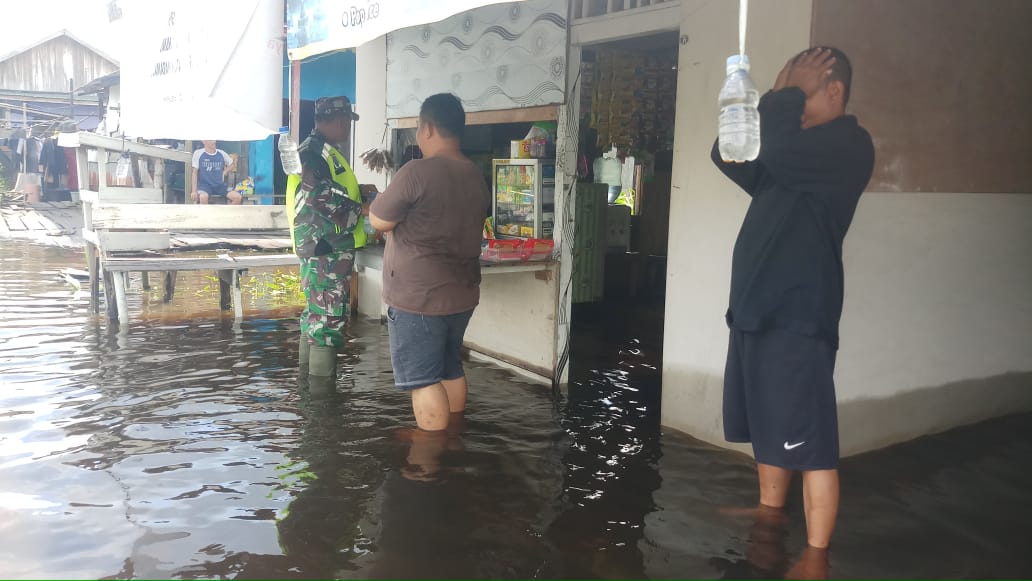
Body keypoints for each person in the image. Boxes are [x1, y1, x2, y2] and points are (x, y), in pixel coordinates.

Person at [711, 47, 874, 552]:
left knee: (811, 440)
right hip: (756, 311)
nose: (793, 104)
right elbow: (728, 154)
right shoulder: (789, 152)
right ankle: (769, 511)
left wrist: (780, 98)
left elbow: (773, 150)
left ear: (835, 91)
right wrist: (761, 99)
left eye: (801, 92)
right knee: (768, 421)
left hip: (797, 316)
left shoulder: (847, 145)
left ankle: (816, 555)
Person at [369, 93, 489, 432]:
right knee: (450, 368)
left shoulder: (416, 172)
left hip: (419, 298)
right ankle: (452, 441)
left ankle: (429, 465)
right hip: (462, 295)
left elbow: (378, 220)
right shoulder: (474, 174)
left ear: (427, 128)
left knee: (423, 380)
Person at [286, 96, 371, 377]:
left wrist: (361, 191)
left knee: (315, 319)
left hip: (322, 247)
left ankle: (307, 395)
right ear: (337, 120)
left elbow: (330, 189)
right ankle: (322, 408)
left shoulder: (324, 151)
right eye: (347, 122)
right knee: (326, 323)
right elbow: (317, 197)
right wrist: (363, 210)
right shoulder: (313, 153)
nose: (348, 128)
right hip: (326, 249)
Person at [191, 140, 241, 204]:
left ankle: (228, 214)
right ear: (204, 141)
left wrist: (225, 171)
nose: (213, 142)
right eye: (210, 140)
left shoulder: (221, 153)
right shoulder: (198, 153)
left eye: (214, 139)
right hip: (204, 186)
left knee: (237, 197)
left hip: (219, 185)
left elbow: (232, 164)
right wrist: (194, 191)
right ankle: (205, 214)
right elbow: (194, 173)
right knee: (203, 197)